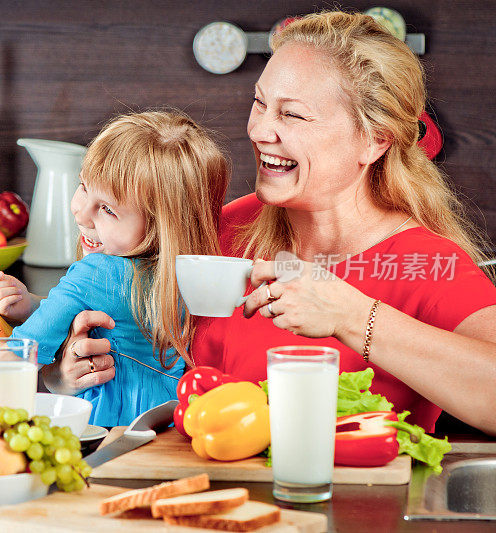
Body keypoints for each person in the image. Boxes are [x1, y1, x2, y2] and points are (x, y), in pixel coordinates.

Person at [42, 11, 496, 435]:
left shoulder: (424, 263)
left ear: (374, 140)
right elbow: (125, 340)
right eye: (260, 103)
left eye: (292, 114)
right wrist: (65, 378)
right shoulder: (220, 229)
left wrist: (350, 315)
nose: (260, 130)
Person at [0, 111, 229, 427]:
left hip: (108, 428)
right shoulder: (183, 275)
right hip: (169, 422)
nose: (81, 213)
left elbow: (10, 362)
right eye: (83, 186)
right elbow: (115, 315)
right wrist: (33, 305)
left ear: (161, 228)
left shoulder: (95, 274)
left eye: (107, 209)